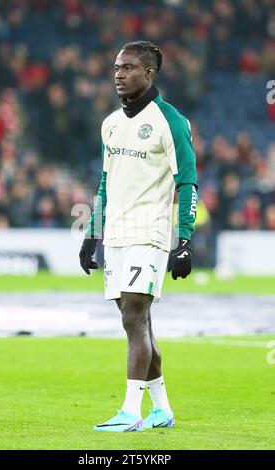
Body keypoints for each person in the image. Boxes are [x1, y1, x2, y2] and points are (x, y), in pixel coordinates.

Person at [79, 41, 198, 432]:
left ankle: (131, 411)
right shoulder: (110, 123)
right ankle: (162, 409)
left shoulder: (171, 122)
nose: (118, 74)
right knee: (139, 322)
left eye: (128, 68)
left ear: (149, 73)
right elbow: (105, 181)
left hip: (149, 233)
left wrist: (183, 241)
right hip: (114, 235)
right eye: (116, 68)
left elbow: (187, 183)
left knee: (134, 315)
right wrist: (91, 233)